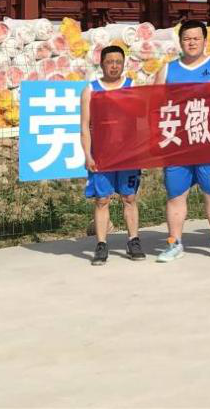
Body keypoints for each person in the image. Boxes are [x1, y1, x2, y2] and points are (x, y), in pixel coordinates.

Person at [155, 20, 210, 263]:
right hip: (177, 144)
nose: (191, 43)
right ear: (180, 42)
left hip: (209, 143)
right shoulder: (167, 70)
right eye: (187, 38)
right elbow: (153, 105)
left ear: (204, 41)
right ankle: (174, 242)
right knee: (176, 194)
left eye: (196, 38)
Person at [81, 45, 144, 265]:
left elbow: (142, 120)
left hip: (128, 154)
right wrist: (88, 155)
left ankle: (133, 240)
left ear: (124, 64)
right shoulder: (91, 89)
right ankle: (101, 244)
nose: (114, 66)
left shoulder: (132, 86)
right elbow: (84, 125)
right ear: (102, 64)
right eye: (110, 62)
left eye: (118, 62)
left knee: (129, 197)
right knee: (102, 199)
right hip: (102, 155)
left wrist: (141, 150)